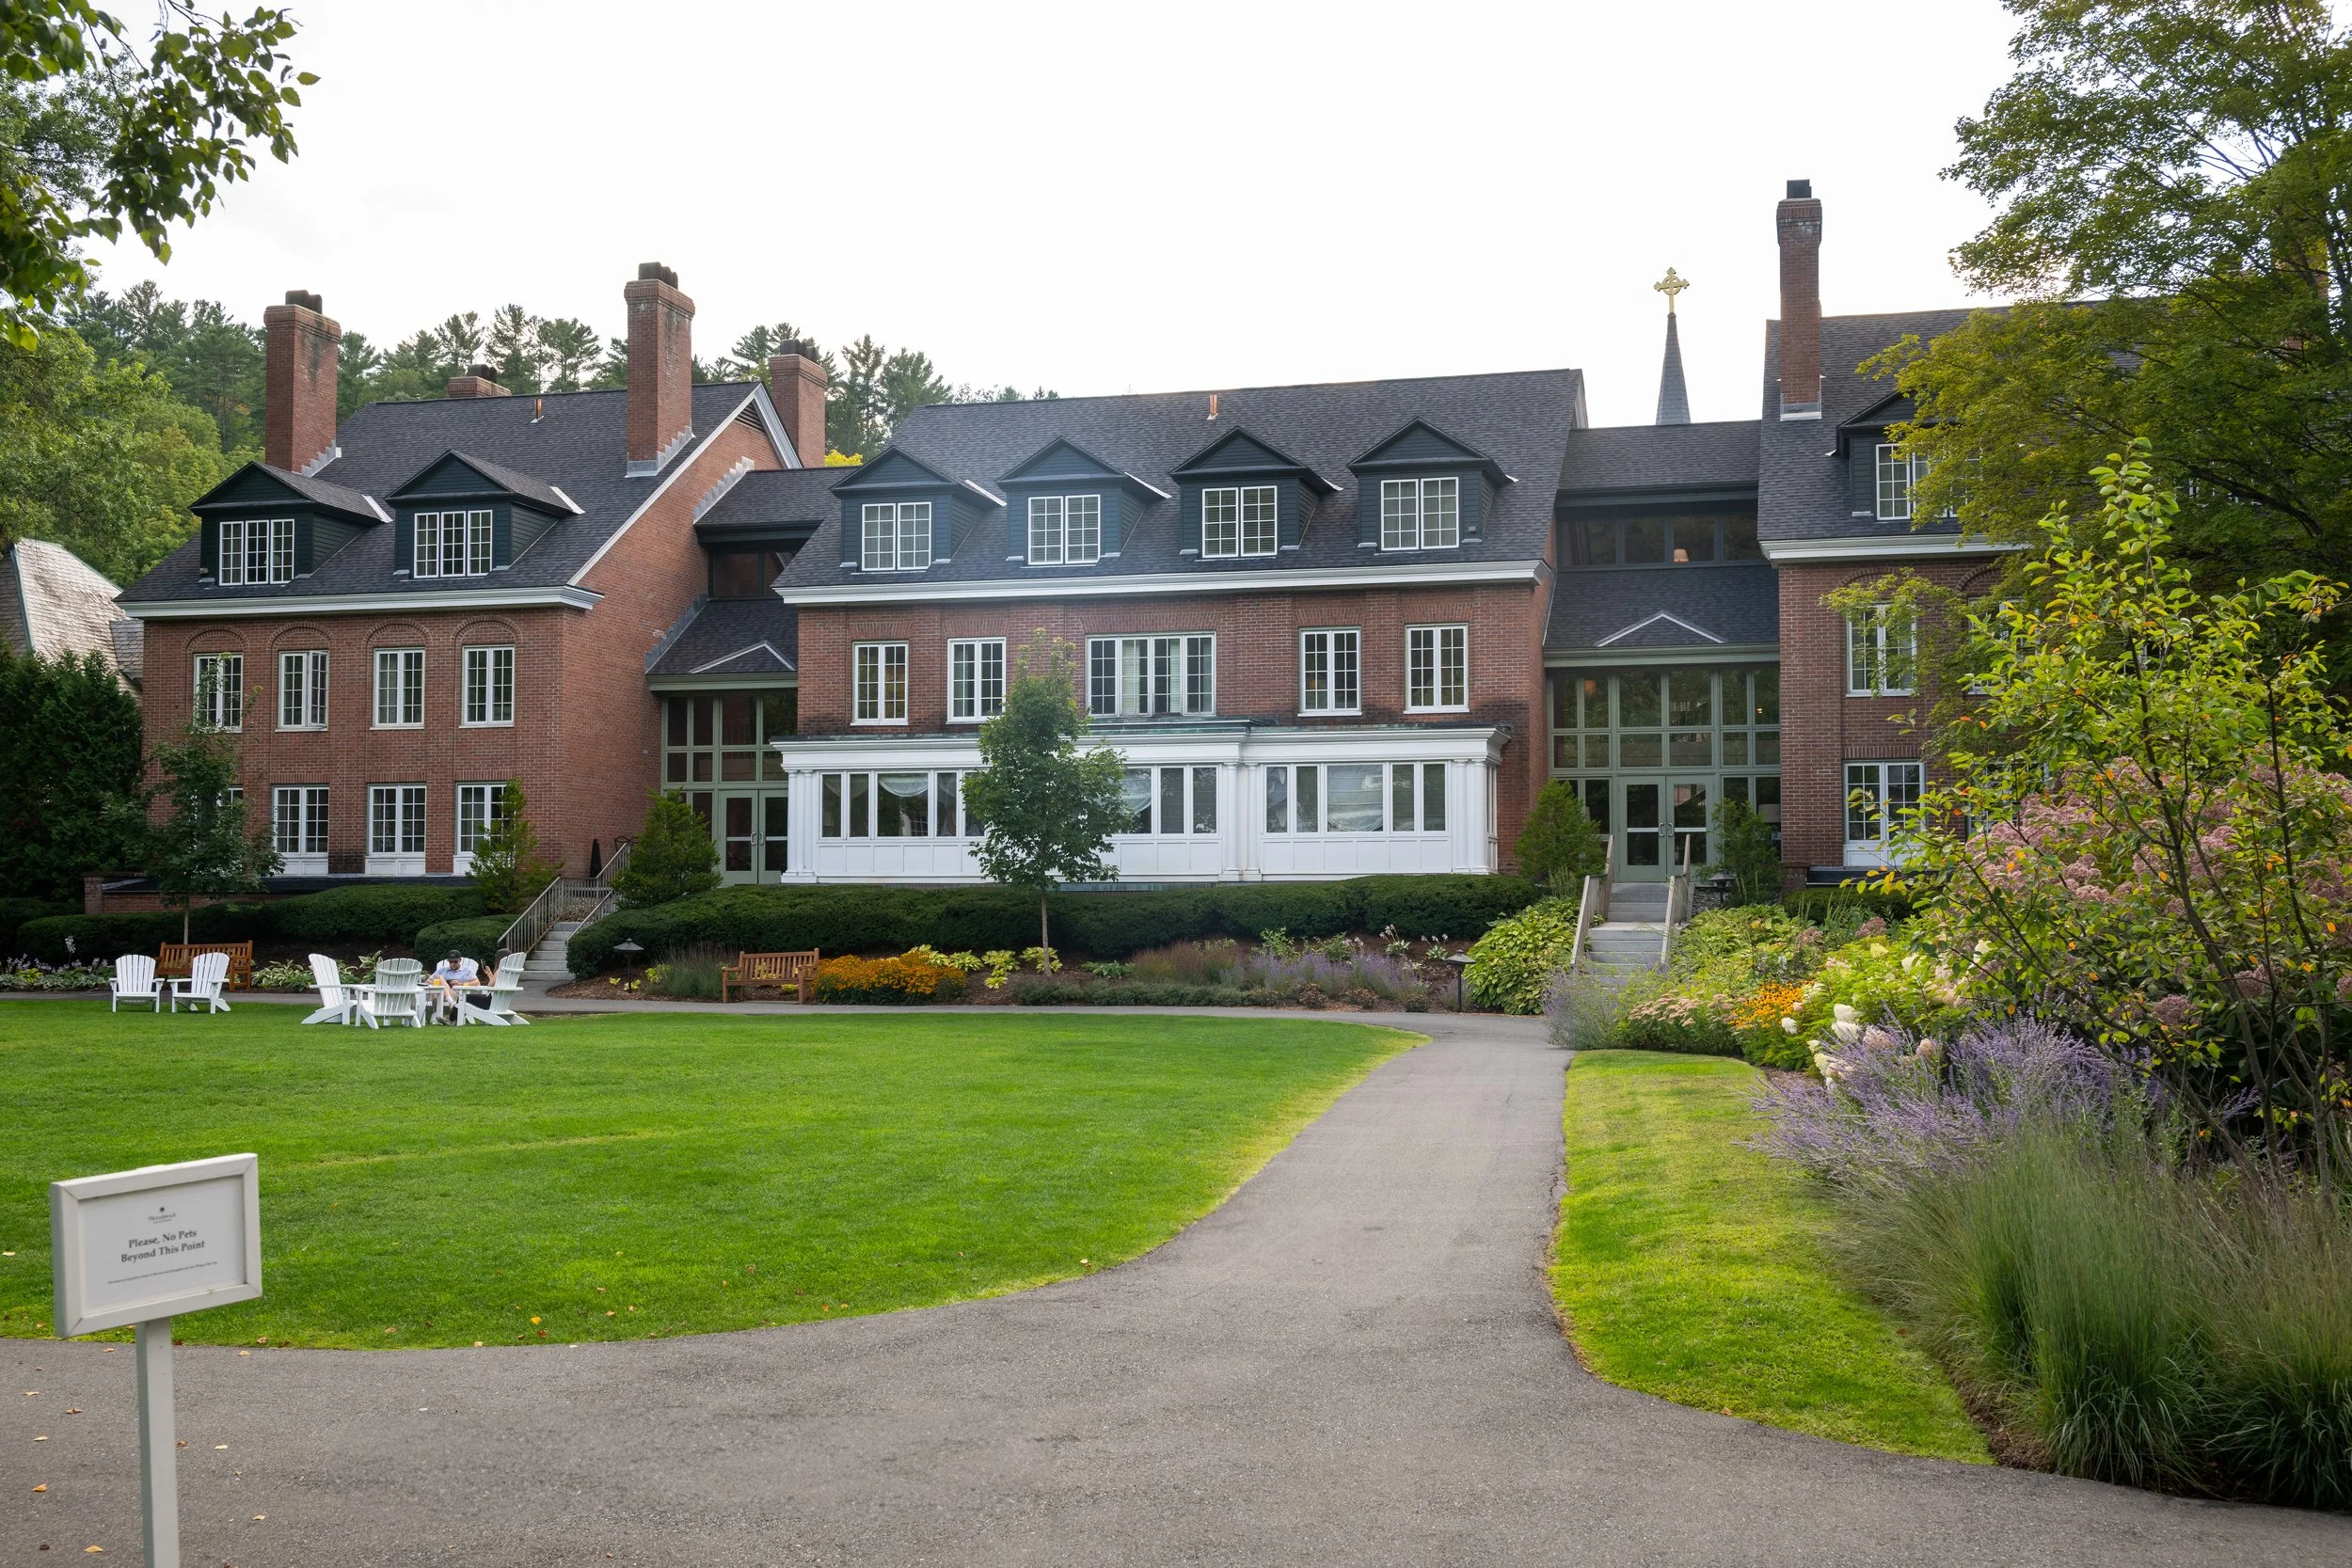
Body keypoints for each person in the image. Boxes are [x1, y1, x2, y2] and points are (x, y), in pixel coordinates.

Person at [428, 948, 480, 1022]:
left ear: (460, 960)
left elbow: (477, 983)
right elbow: (428, 981)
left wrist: (460, 984)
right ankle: (448, 1005)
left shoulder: (466, 970)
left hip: (458, 993)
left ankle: (435, 1014)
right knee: (438, 983)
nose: (453, 964)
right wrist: (443, 984)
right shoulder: (443, 969)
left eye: (455, 961)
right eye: (450, 961)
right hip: (441, 992)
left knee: (439, 980)